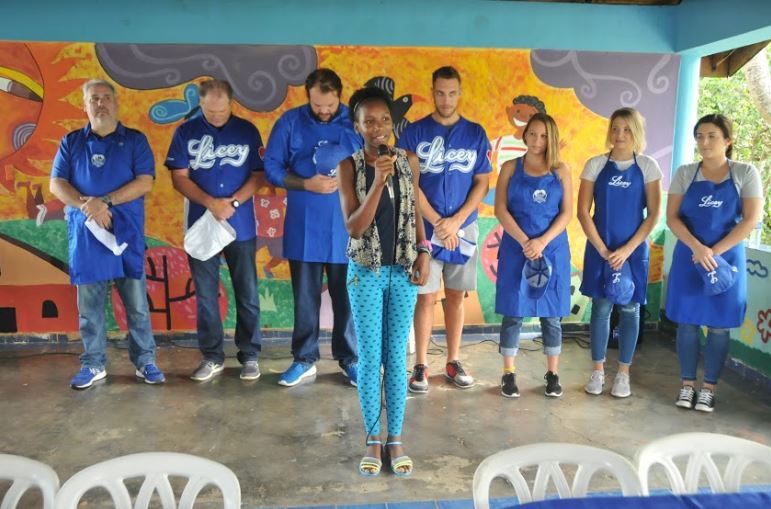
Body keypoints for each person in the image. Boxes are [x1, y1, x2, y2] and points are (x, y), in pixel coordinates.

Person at [50, 79, 165, 389]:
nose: (100, 104)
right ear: (85, 106)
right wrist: (88, 207)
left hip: (125, 233)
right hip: (87, 235)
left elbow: (145, 182)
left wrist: (106, 202)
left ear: (116, 103)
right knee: (89, 307)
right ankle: (94, 364)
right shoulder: (71, 142)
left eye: (105, 98)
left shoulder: (135, 141)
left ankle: (145, 361)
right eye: (93, 99)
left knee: (137, 304)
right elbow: (57, 184)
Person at [338, 87, 430, 477]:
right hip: (367, 274)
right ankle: (373, 438)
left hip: (405, 270)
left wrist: (425, 250)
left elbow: (415, 208)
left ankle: (396, 438)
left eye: (385, 121)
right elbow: (355, 227)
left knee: (397, 359)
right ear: (357, 126)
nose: (378, 128)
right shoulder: (349, 166)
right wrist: (376, 182)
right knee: (370, 358)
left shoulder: (409, 160)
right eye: (369, 121)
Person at [396, 66, 491, 392]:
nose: (446, 99)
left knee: (455, 297)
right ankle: (420, 366)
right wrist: (438, 221)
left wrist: (456, 220)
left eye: (452, 93)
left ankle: (452, 360)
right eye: (440, 92)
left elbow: (482, 181)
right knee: (425, 297)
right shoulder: (414, 133)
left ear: (459, 92)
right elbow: (409, 181)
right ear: (432, 91)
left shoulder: (476, 133)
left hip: (463, 231)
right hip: (424, 230)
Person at [264, 69, 360, 387]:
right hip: (303, 227)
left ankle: (350, 360)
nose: (323, 110)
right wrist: (306, 183)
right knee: (305, 298)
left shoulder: (356, 123)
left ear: (339, 96)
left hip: (346, 228)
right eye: (317, 104)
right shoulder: (290, 122)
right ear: (308, 95)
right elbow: (272, 168)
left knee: (347, 298)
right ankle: (305, 359)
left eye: (329, 104)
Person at [166, 79, 264, 382]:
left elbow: (259, 175)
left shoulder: (247, 131)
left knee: (247, 292)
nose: (217, 116)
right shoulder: (185, 132)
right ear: (201, 104)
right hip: (201, 223)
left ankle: (249, 355)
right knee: (206, 295)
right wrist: (211, 203)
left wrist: (232, 202)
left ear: (231, 104)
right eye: (210, 111)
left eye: (222, 111)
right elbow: (178, 177)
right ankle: (211, 356)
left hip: (241, 223)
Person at [666, 113, 763, 412]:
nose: (704, 142)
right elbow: (672, 217)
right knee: (687, 323)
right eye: (699, 136)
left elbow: (751, 220)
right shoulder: (685, 173)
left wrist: (715, 252)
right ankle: (686, 386)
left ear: (727, 141)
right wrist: (698, 248)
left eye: (711, 136)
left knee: (720, 326)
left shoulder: (746, 173)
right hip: (689, 256)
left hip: (727, 259)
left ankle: (708, 388)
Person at [577, 107, 662, 398]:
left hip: (633, 251)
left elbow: (653, 216)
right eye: (615, 128)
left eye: (626, 129)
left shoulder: (648, 167)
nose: (620, 135)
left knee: (629, 309)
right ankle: (598, 371)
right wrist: (602, 249)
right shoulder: (595, 165)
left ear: (636, 132)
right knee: (601, 308)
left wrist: (626, 250)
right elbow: (582, 212)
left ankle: (623, 374)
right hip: (601, 249)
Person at [494, 113, 572, 398]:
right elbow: (500, 209)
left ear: (551, 138)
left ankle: (552, 373)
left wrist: (542, 241)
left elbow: (567, 213)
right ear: (524, 135)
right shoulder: (510, 168)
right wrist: (526, 241)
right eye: (533, 134)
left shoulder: (561, 170)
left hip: (551, 250)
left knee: (551, 316)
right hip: (517, 248)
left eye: (543, 136)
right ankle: (508, 374)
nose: (537, 141)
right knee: (513, 313)